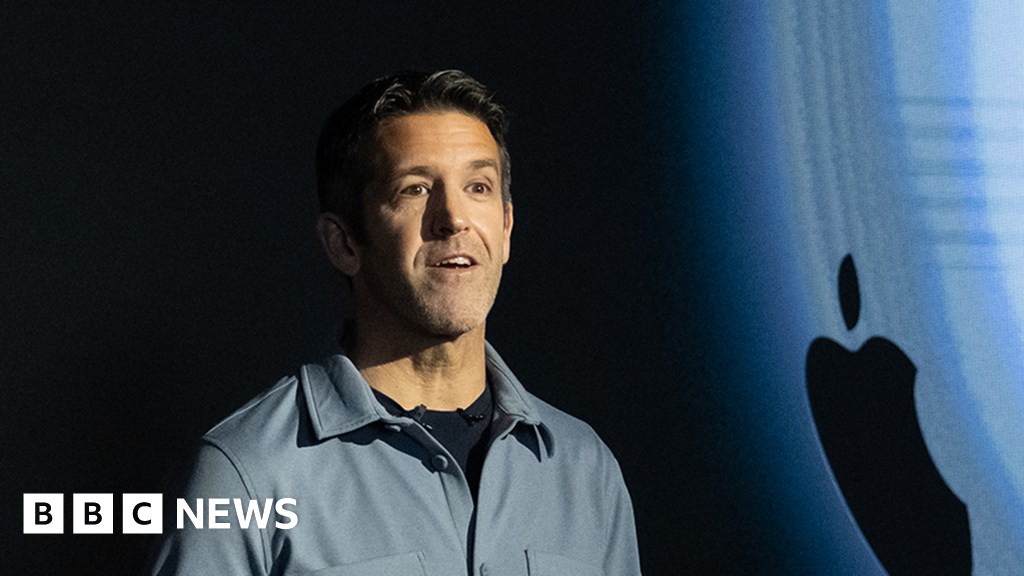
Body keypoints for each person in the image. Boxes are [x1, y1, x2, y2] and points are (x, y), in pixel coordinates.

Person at [146, 69, 641, 576]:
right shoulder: (245, 474)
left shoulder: (586, 471)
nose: (454, 218)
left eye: (478, 186)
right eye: (416, 189)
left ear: (506, 227)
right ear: (343, 243)